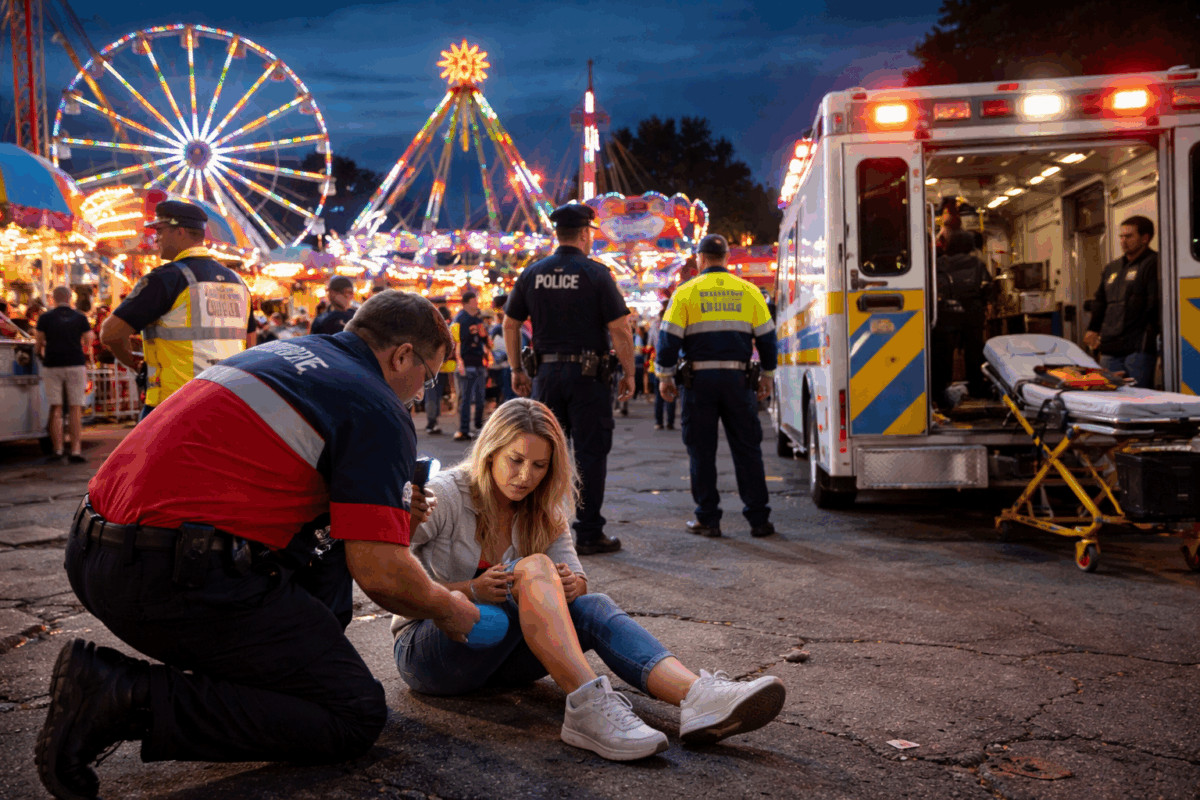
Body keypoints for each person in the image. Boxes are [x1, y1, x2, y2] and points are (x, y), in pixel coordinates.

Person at [35, 291, 479, 800]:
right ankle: (121, 696)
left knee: (326, 566)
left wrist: (384, 508)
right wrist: (447, 607)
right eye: (427, 377)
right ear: (402, 356)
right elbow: (380, 573)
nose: (420, 395)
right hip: (169, 576)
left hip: (94, 550)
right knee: (352, 714)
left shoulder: (281, 354)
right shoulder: (374, 403)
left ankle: (283, 675)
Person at [391, 399, 785, 761]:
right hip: (430, 650)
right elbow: (390, 578)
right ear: (490, 451)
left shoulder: (544, 508)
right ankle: (587, 708)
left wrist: (571, 585)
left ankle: (699, 698)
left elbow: (575, 579)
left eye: (540, 466)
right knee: (533, 568)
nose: (526, 476)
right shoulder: (445, 494)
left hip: (498, 657)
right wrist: (469, 590)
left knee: (589, 603)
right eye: (515, 460)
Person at [504, 203, 635, 555]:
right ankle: (590, 532)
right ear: (584, 233)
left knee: (540, 451)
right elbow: (620, 328)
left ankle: (532, 531)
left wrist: (517, 368)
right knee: (590, 453)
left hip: (545, 376)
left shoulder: (533, 273)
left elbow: (510, 323)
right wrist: (630, 372)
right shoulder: (596, 274)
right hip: (589, 377)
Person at [657, 234, 777, 539]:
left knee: (701, 451)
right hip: (739, 382)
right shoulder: (750, 292)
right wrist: (767, 376)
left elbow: (668, 341)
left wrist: (665, 377)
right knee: (748, 450)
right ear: (726, 259)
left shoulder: (686, 293)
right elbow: (767, 339)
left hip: (699, 384)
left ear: (701, 259)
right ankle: (759, 520)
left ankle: (708, 519)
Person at [99, 200, 250, 421]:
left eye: (160, 230)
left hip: (175, 402)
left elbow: (110, 333)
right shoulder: (238, 282)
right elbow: (249, 341)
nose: (155, 238)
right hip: (227, 398)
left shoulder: (166, 279)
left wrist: (133, 363)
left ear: (179, 232)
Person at [1084, 215, 1159, 388]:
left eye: (1129, 236)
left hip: (1137, 348)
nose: (1123, 241)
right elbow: (1100, 301)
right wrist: (1093, 329)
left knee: (1139, 397)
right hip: (1110, 348)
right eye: (1121, 236)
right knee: (1111, 394)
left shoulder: (1154, 263)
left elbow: (1152, 306)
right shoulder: (1112, 268)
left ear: (1145, 238)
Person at [931, 229, 991, 405]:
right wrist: (987, 304)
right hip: (973, 310)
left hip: (947, 310)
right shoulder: (977, 263)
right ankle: (976, 387)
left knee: (943, 352)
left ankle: (941, 391)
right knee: (974, 351)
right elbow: (987, 287)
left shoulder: (939, 263)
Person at [35, 285, 94, 463]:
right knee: (76, 408)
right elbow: (89, 339)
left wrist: (40, 354)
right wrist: (84, 349)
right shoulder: (80, 317)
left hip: (52, 364)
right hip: (75, 364)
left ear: (53, 298)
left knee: (56, 407)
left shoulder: (45, 318)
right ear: (70, 298)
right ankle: (76, 450)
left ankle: (58, 450)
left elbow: (38, 341)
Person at [451, 291, 489, 441]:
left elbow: (484, 338)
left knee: (480, 398)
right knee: (466, 398)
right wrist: (459, 361)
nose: (477, 304)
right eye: (474, 301)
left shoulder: (476, 319)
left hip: (479, 361)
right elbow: (456, 343)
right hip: (466, 363)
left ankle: (479, 427)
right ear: (466, 303)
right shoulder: (459, 320)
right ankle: (464, 429)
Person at [425, 306, 454, 435]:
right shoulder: (442, 331)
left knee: (433, 395)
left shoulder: (429, 330)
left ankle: (432, 421)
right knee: (433, 395)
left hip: (432, 367)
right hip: (438, 368)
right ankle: (432, 422)